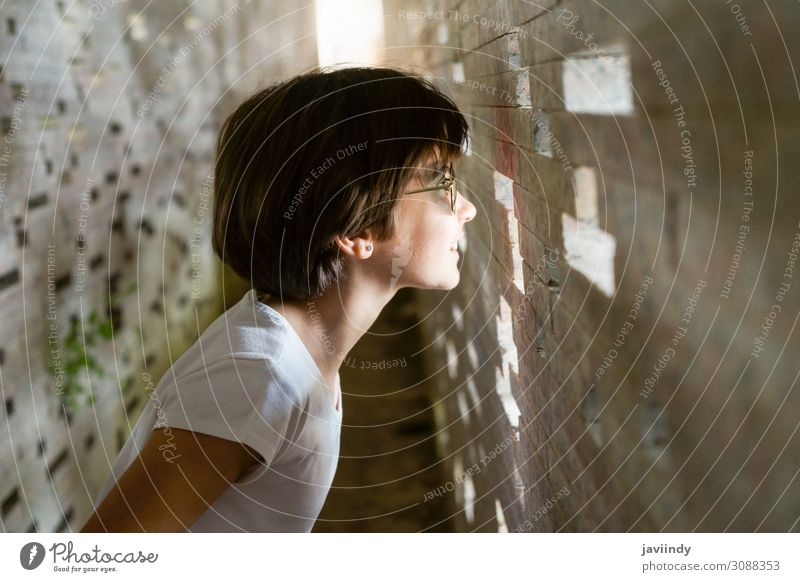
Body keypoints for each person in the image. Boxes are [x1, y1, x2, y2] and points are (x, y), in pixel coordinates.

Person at [80, 65, 477, 532]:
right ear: (355, 229)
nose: (465, 209)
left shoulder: (299, 355)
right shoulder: (259, 376)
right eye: (441, 185)